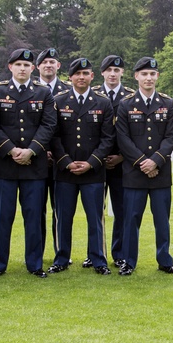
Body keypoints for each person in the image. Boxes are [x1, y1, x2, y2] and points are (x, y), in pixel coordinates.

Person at [0, 48, 56, 279]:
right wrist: (11, 149)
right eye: (18, 65)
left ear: (32, 69)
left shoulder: (44, 93)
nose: (23, 68)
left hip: (34, 166)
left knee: (34, 216)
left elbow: (48, 126)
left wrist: (32, 150)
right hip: (5, 166)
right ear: (10, 67)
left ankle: (35, 264)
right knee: (1, 217)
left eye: (27, 65)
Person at [114, 57, 173, 276]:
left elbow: (172, 135)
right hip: (134, 173)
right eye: (144, 74)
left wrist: (156, 160)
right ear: (136, 77)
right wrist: (142, 162)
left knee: (162, 220)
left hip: (160, 172)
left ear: (157, 77)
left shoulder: (167, 103)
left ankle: (165, 260)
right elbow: (122, 138)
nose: (148, 78)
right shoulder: (125, 104)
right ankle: (128, 261)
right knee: (131, 219)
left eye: (152, 74)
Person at [49, 58, 115, 275]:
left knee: (95, 218)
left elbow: (107, 138)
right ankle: (61, 258)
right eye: (77, 74)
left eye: (85, 73)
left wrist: (91, 163)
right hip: (65, 171)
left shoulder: (103, 103)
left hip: (93, 172)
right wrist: (66, 162)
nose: (81, 77)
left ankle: (98, 259)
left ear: (92, 76)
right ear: (70, 77)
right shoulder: (58, 101)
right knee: (63, 217)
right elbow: (54, 136)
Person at [91, 55, 134, 267]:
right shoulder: (92, 96)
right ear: (102, 73)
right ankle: (95, 254)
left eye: (117, 70)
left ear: (122, 73)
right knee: (94, 212)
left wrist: (122, 157)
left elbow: (136, 134)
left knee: (121, 211)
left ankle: (119, 254)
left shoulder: (131, 97)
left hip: (121, 164)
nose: (113, 74)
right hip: (96, 163)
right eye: (109, 70)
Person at [34, 47, 68, 257]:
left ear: (58, 66)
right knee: (37, 210)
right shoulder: (32, 89)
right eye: (44, 61)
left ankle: (60, 252)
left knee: (60, 210)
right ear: (38, 67)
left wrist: (57, 154)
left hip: (60, 160)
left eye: (52, 61)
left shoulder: (66, 90)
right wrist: (40, 150)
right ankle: (37, 252)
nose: (49, 64)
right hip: (35, 159)